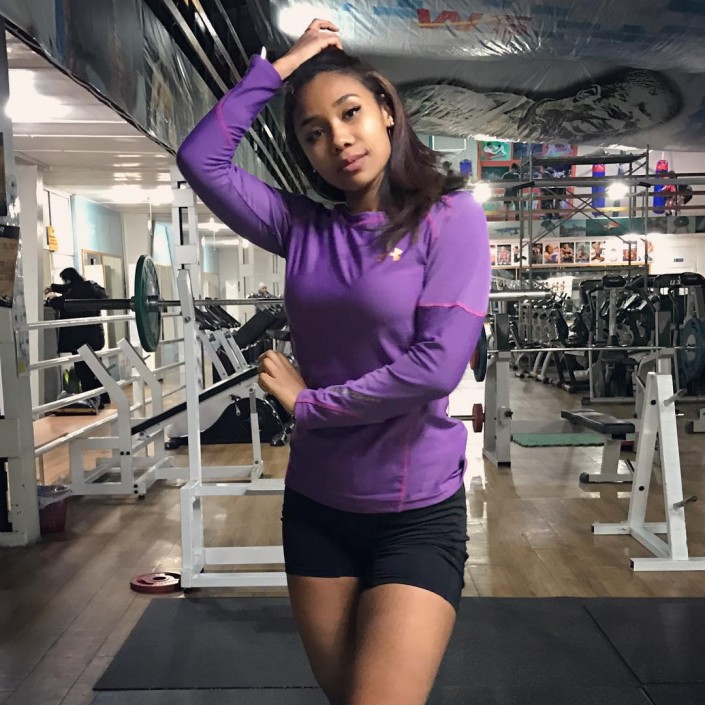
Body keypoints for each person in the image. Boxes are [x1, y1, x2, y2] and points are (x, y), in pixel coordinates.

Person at [176, 18, 490, 705]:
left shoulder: (450, 217)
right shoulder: (301, 228)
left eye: (350, 113)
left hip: (416, 510)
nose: (339, 139)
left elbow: (437, 367)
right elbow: (201, 158)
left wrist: (310, 403)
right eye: (313, 132)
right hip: (318, 507)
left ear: (385, 109)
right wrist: (282, 67)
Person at [45, 267, 109, 408]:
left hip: (79, 339)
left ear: (68, 280)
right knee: (95, 368)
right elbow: (70, 288)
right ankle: (104, 396)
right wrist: (54, 287)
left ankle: (93, 401)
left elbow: (60, 302)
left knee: (83, 372)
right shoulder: (91, 288)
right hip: (95, 336)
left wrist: (51, 298)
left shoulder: (74, 293)